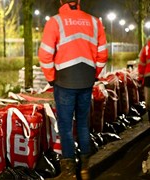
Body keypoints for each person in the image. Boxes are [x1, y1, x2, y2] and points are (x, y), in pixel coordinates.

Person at [38, 0, 108, 179]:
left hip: (64, 81)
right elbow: (102, 54)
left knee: (65, 126)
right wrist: (93, 74)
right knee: (83, 123)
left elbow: (45, 54)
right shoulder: (94, 22)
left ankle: (68, 172)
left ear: (61, 1)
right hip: (86, 80)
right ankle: (85, 169)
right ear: (78, 1)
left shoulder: (55, 21)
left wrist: (51, 78)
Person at [138, 36, 150, 121]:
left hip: (148, 77)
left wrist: (140, 78)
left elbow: (141, 64)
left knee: (149, 101)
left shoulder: (146, 47)